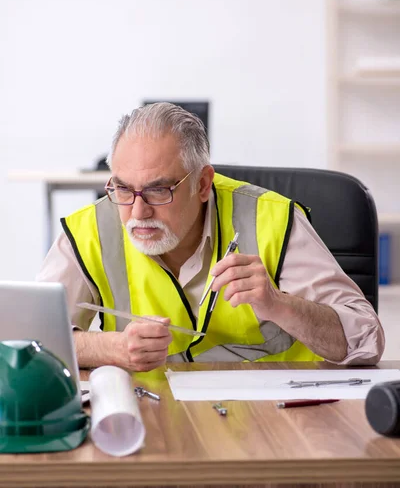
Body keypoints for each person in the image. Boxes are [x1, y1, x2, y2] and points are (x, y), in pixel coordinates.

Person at [37, 102, 384, 372]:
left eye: (159, 191)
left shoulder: (272, 219)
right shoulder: (90, 229)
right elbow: (24, 342)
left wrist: (279, 304)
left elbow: (366, 340)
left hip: (276, 421)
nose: (138, 212)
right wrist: (108, 348)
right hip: (154, 421)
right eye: (123, 189)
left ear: (202, 184)